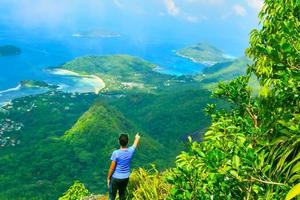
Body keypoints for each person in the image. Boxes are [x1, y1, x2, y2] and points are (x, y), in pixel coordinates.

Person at [107, 133, 141, 200]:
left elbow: (111, 168)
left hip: (116, 178)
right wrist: (137, 137)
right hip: (125, 177)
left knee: (112, 196)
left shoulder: (116, 153)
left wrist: (108, 178)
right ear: (128, 142)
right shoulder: (130, 151)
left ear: (119, 141)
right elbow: (135, 143)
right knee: (122, 194)